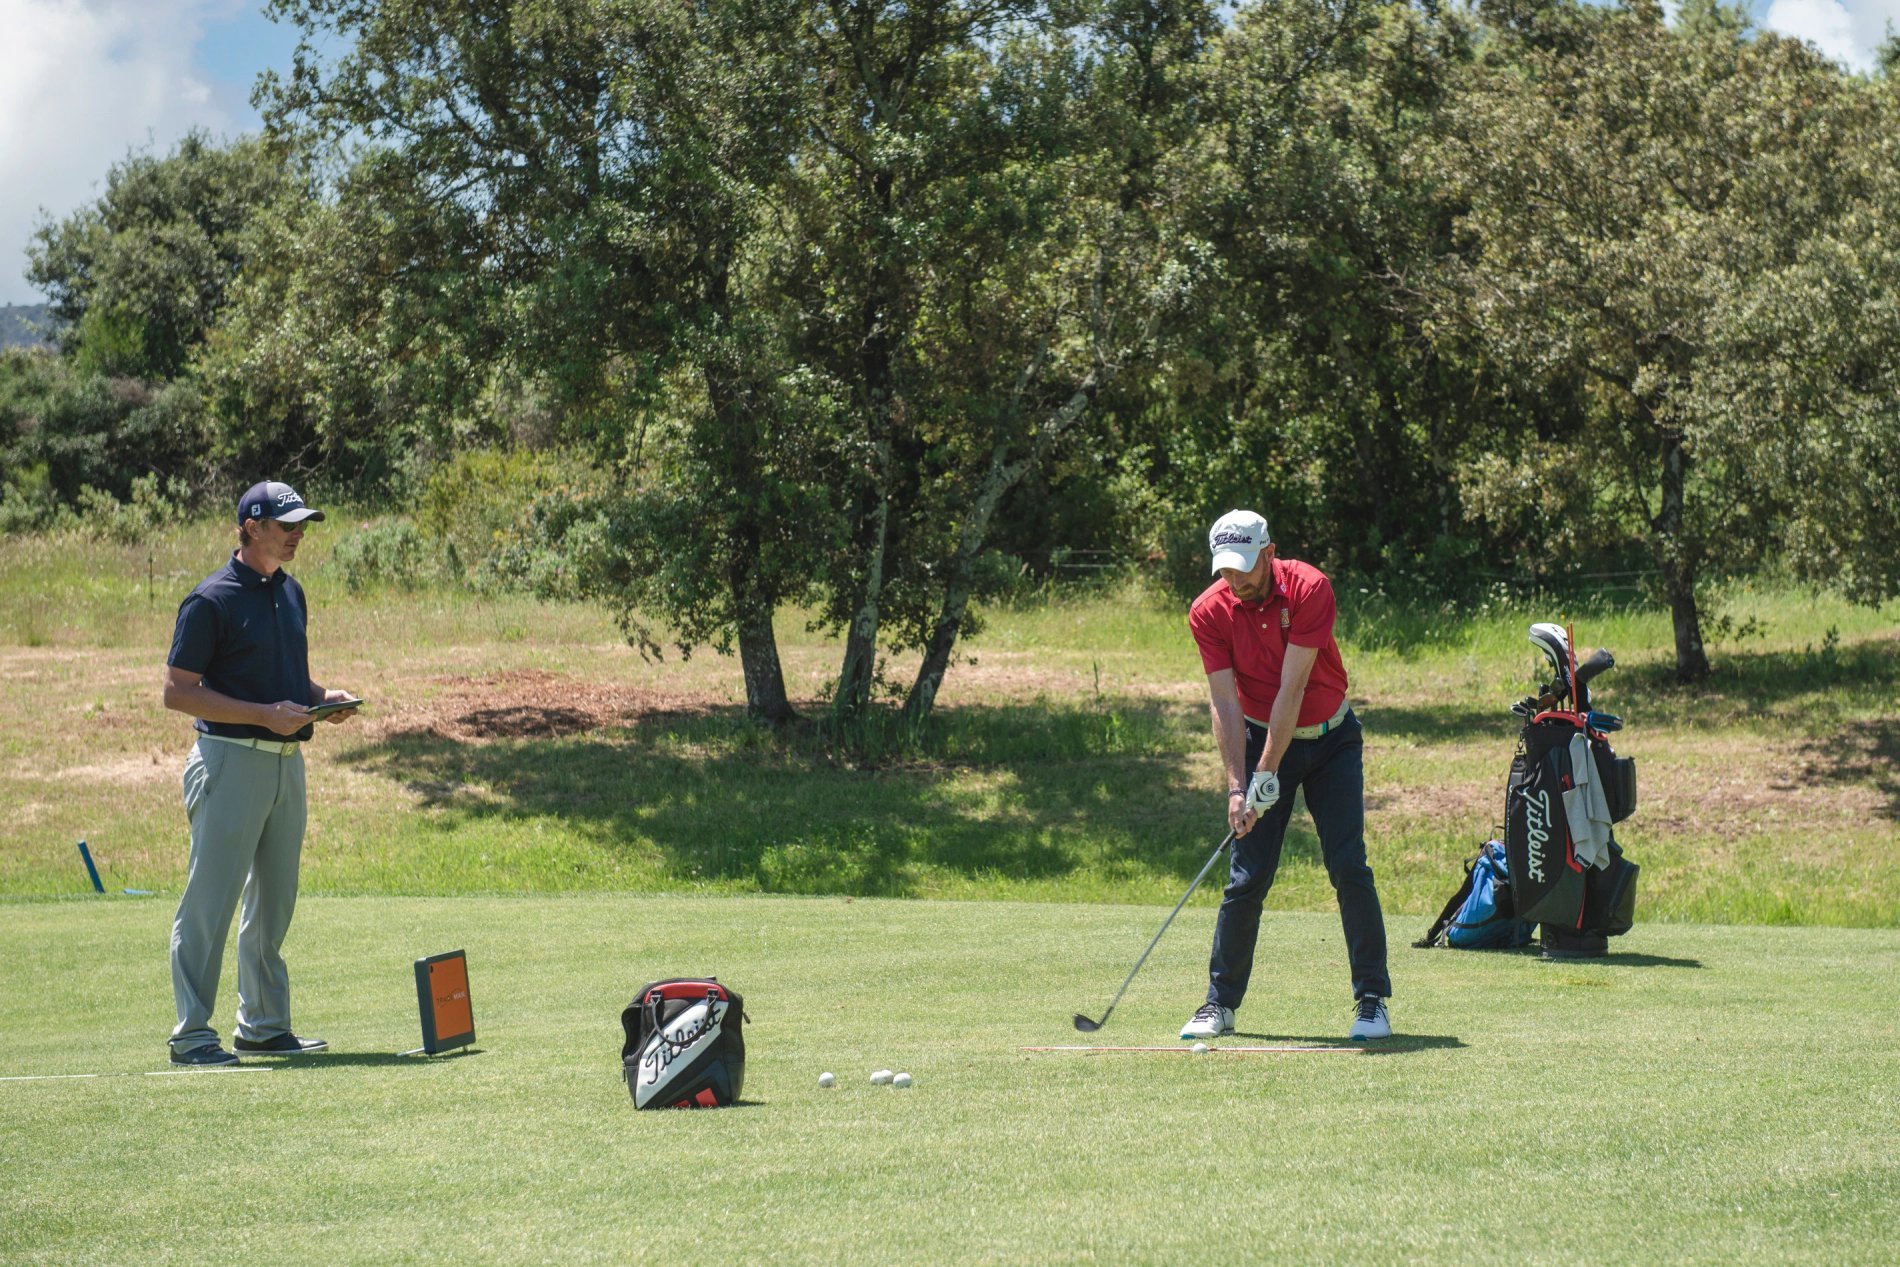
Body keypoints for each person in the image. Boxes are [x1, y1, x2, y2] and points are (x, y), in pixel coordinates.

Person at [160, 481, 358, 1066]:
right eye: (287, 523)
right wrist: (263, 717)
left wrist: (323, 697)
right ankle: (192, 1035)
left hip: (285, 765)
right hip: (229, 764)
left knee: (273, 903)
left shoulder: (290, 592)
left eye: (302, 525)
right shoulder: (210, 600)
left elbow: (283, 680)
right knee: (210, 904)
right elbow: (178, 693)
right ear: (251, 526)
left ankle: (264, 1026)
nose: (298, 534)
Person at [1179, 509, 1392, 1042]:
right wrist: (1237, 785)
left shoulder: (1310, 588)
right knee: (1246, 877)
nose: (1237, 582)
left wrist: (1266, 775)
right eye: (1226, 572)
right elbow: (1224, 703)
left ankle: (1372, 1002)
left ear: (1269, 553)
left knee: (1348, 866)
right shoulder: (1208, 612)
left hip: (1331, 741)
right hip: (1256, 739)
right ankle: (1218, 1005)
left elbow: (1290, 692)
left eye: (1245, 569)